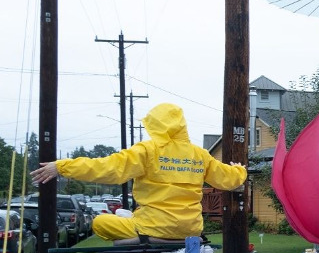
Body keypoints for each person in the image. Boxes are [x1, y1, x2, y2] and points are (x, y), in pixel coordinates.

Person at [30, 103, 247, 242]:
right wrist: (240, 170)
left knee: (99, 223)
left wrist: (62, 167)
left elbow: (107, 168)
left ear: (155, 125)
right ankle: (133, 218)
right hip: (190, 229)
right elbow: (228, 178)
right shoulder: (200, 155)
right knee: (126, 217)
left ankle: (133, 220)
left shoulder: (147, 151)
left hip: (152, 228)